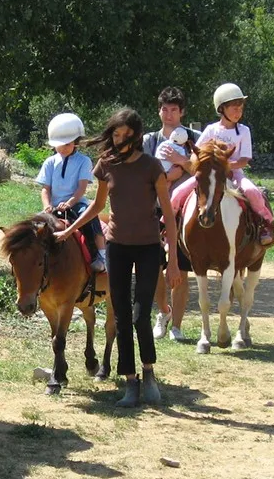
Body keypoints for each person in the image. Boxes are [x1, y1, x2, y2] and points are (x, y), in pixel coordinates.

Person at [55, 107, 182, 407]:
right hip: (117, 247)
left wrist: (173, 259)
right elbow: (96, 206)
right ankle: (130, 381)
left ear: (137, 136)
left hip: (150, 247)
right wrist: (69, 230)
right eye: (116, 133)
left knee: (140, 316)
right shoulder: (106, 165)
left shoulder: (152, 167)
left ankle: (148, 372)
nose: (121, 139)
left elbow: (169, 214)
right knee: (122, 315)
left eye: (127, 134)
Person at [170, 83, 274, 246]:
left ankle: (265, 225)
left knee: (252, 191)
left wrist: (225, 166)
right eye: (234, 108)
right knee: (178, 192)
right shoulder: (211, 130)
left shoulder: (244, 131)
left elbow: (244, 160)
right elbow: (195, 153)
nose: (238, 112)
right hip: (210, 174)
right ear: (222, 109)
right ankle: (168, 227)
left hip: (235, 173)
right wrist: (201, 166)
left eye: (240, 108)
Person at [143, 86, 201, 341]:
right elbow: (142, 172)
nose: (169, 115)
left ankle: (176, 325)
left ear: (182, 112)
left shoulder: (195, 137)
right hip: (153, 209)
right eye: (165, 110)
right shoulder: (148, 140)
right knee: (155, 266)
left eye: (174, 110)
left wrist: (181, 162)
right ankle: (162, 312)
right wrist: (165, 177)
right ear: (159, 111)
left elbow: (201, 170)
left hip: (185, 212)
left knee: (182, 269)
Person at [36, 112, 108, 272]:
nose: (62, 148)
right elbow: (45, 188)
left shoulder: (84, 161)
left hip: (76, 204)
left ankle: (101, 254)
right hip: (53, 207)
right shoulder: (49, 162)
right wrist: (47, 205)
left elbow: (81, 188)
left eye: (67, 144)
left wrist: (69, 203)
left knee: (89, 218)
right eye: (59, 144)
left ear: (76, 142)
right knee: (33, 226)